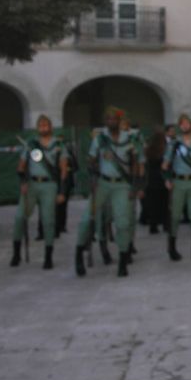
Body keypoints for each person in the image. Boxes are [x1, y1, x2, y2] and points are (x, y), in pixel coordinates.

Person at [75, 108, 143, 278]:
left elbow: (135, 163)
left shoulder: (130, 139)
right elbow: (90, 159)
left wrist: (135, 186)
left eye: (114, 119)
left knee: (122, 223)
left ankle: (122, 260)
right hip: (102, 184)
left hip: (122, 185)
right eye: (108, 119)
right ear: (105, 121)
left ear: (119, 121)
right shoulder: (100, 139)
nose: (111, 121)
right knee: (86, 220)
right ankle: (78, 254)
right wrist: (92, 168)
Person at [13, 115, 69, 270]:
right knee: (19, 217)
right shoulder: (31, 144)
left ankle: (48, 257)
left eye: (46, 125)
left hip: (49, 185)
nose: (43, 127)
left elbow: (63, 169)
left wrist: (62, 191)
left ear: (51, 127)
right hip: (31, 184)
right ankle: (16, 253)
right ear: (37, 128)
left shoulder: (59, 145)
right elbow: (21, 166)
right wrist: (23, 182)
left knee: (48, 221)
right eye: (41, 125)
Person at [164, 113, 191, 260]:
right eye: (181, 123)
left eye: (187, 123)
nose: (184, 125)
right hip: (178, 182)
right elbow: (165, 164)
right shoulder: (174, 143)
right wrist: (167, 179)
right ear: (179, 126)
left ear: (190, 125)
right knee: (175, 216)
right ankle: (172, 248)